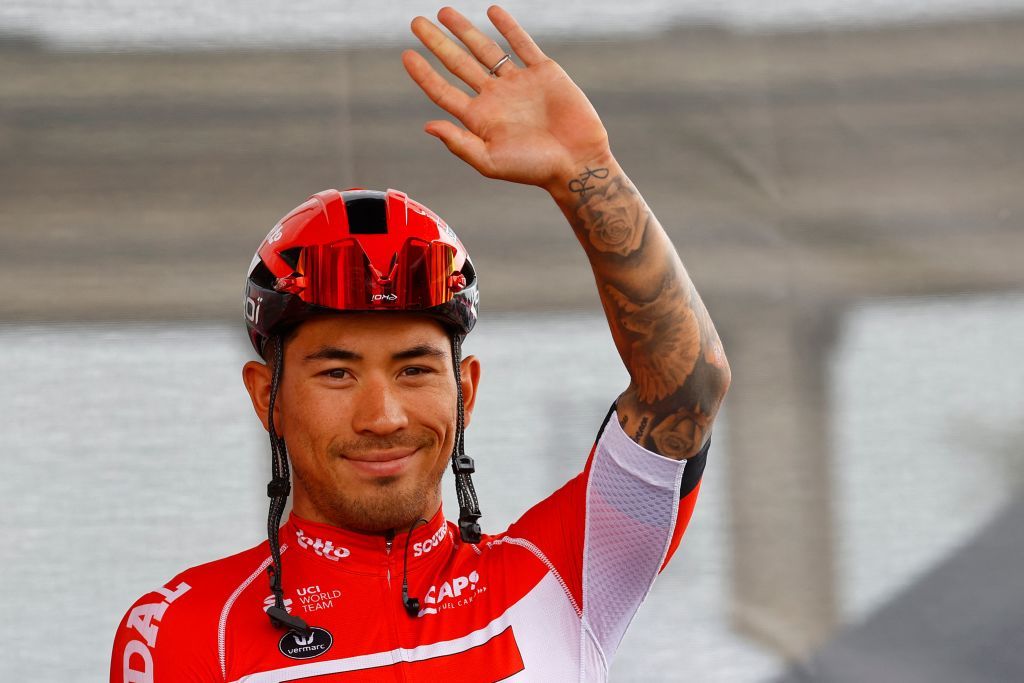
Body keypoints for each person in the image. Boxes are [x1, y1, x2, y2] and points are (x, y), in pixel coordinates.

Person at [110, 6, 730, 682]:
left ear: (465, 390)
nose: (384, 416)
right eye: (337, 373)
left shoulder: (564, 570)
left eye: (414, 369)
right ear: (269, 398)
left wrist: (587, 173)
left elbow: (686, 385)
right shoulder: (184, 630)